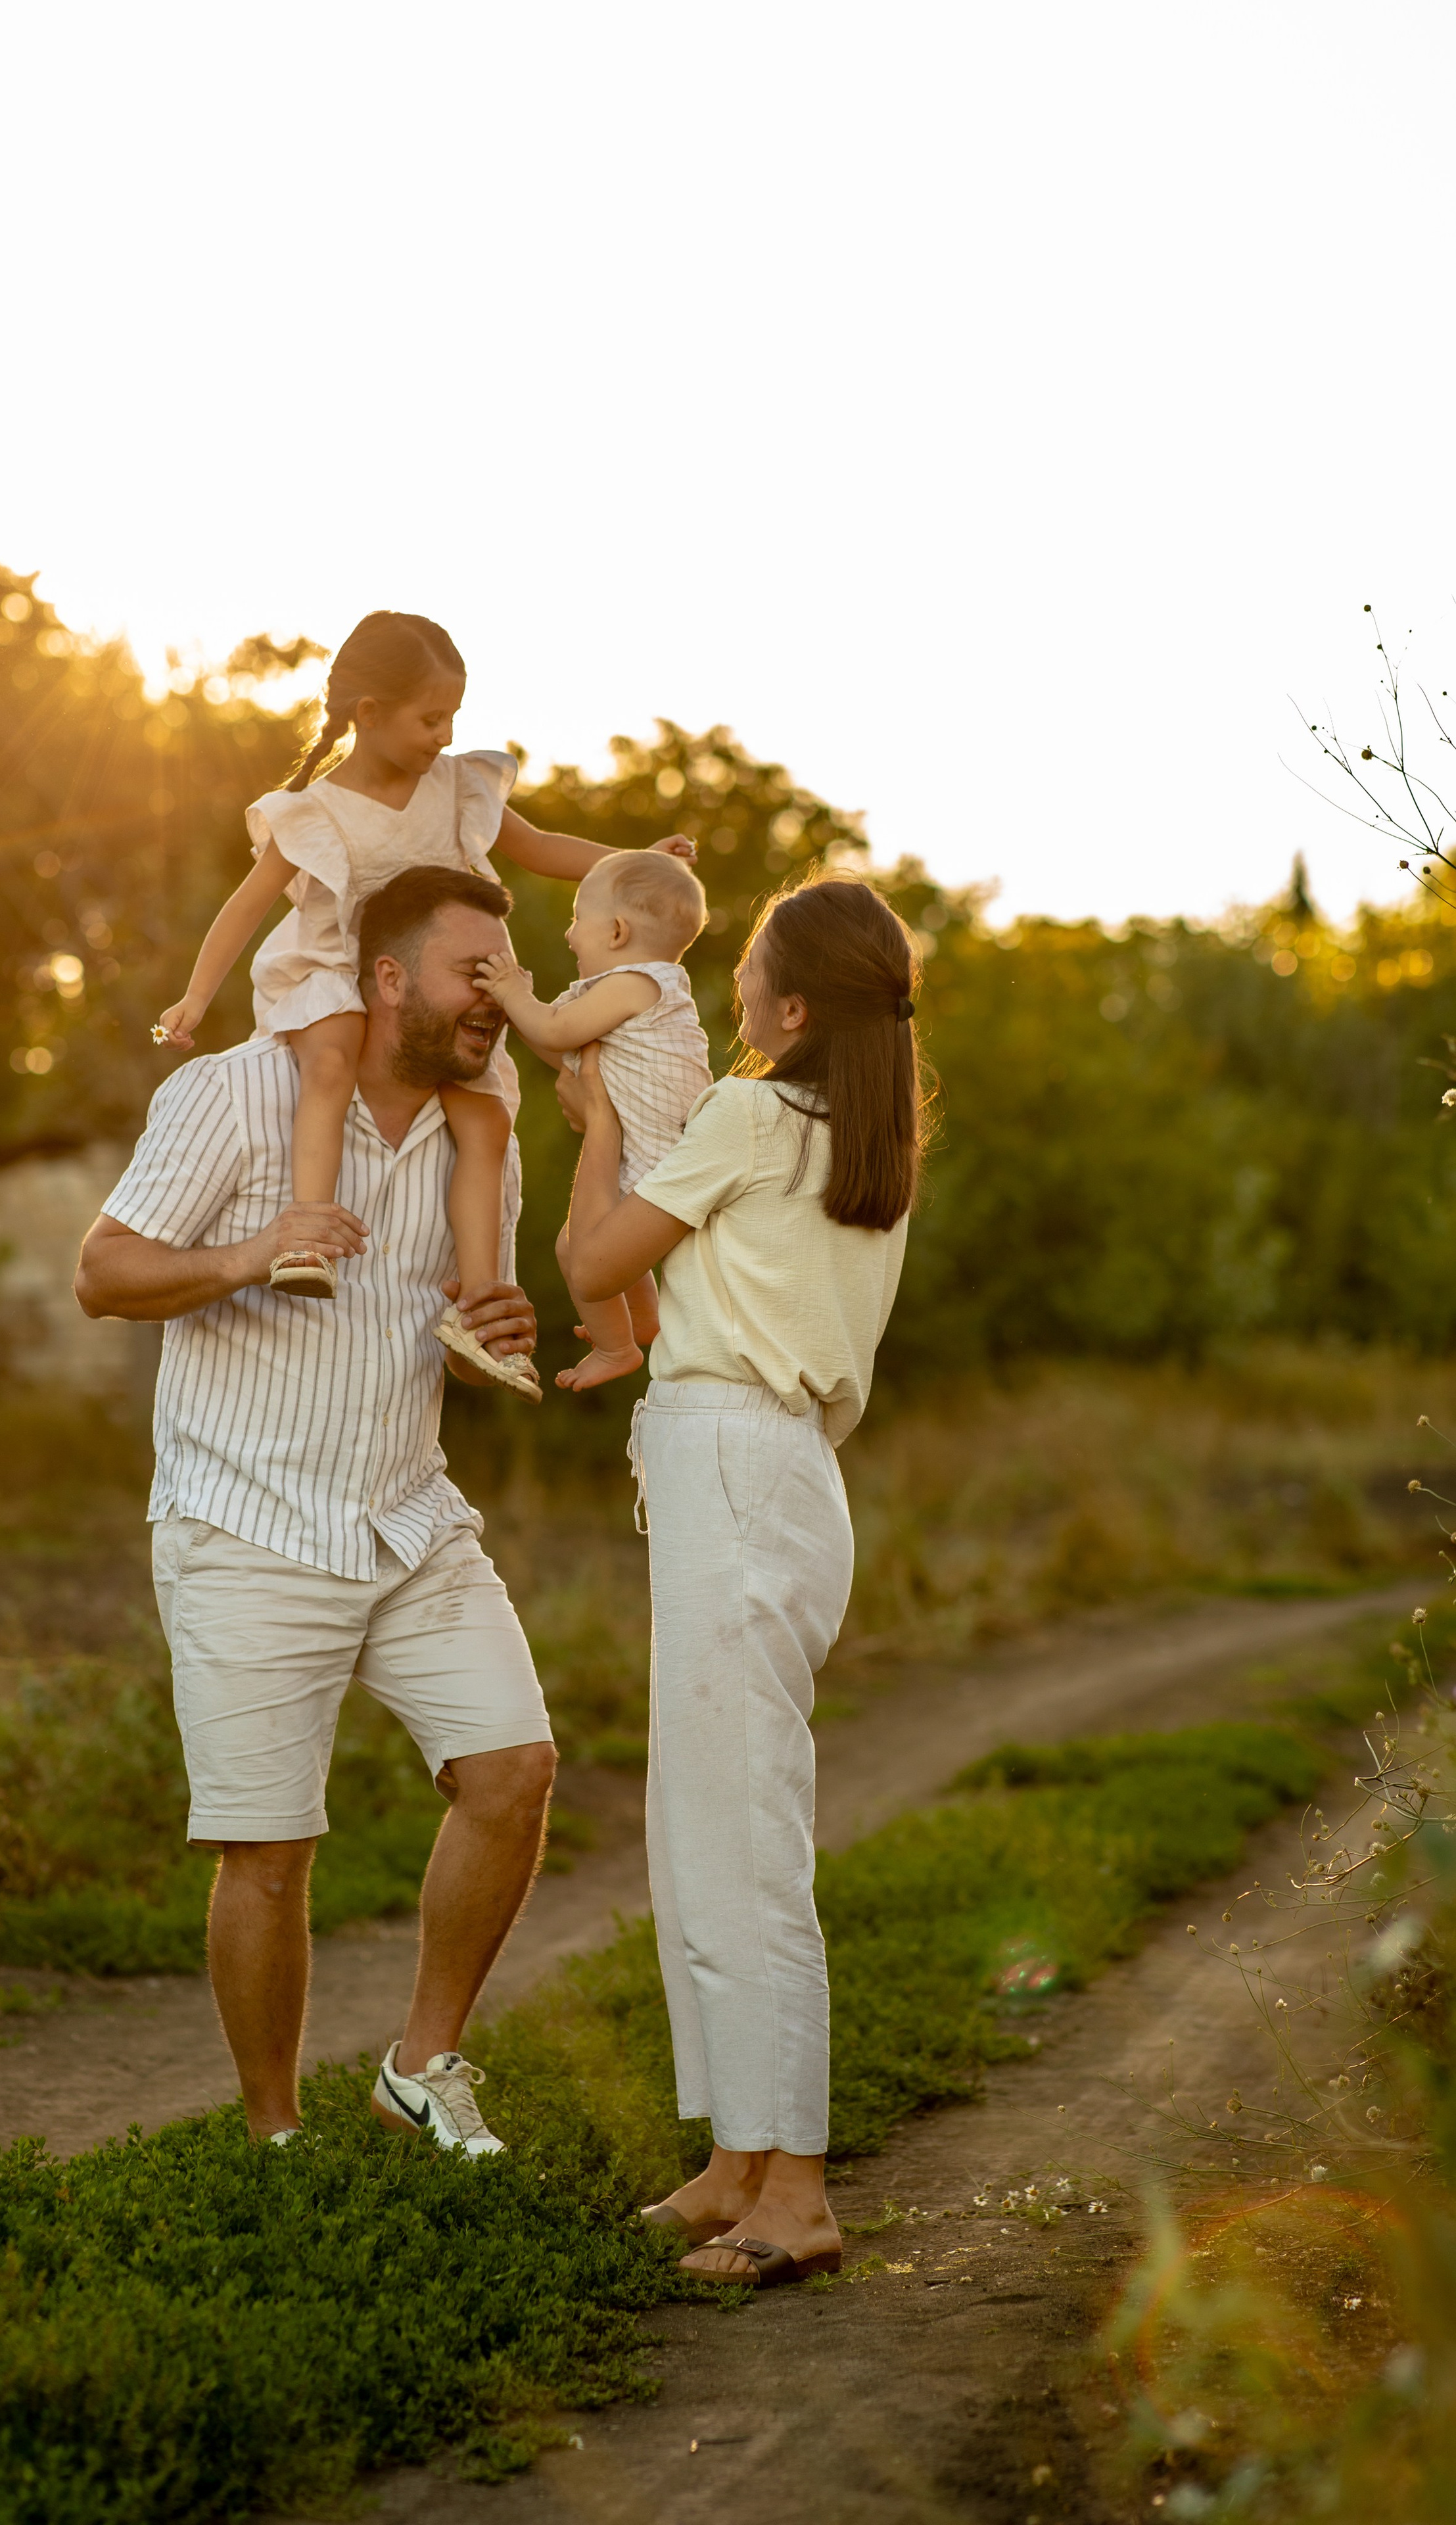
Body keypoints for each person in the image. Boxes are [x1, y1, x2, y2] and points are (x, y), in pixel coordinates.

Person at [76, 865, 561, 2155]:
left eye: (506, 980)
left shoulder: (483, 1121)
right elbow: (103, 1273)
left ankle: (419, 2064)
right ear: (387, 978)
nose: (497, 1001)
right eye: (475, 975)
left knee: (512, 1772)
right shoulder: (236, 1091)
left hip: (408, 1516)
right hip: (244, 1521)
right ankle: (273, 2139)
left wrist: (493, 1320)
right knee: (268, 1853)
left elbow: (458, 1310)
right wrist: (249, 1252)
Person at [559, 876, 928, 2284]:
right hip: (775, 1477)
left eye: (744, 980)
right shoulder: (860, 1147)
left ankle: (797, 2194)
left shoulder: (748, 1115)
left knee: (742, 1833)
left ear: (784, 1009)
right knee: (696, 1818)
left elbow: (590, 1258)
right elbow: (690, 1288)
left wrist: (597, 1130)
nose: (725, 1001)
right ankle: (733, 2159)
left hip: (735, 1466)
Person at [154, 609, 693, 1396]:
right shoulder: (315, 810)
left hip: (448, 984)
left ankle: (478, 1301)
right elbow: (245, 908)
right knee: (332, 1055)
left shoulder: (456, 786)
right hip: (343, 971)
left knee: (485, 1120)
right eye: (429, 717)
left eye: (453, 717)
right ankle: (308, 1231)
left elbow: (541, 849)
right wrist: (195, 997)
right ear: (369, 715)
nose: (444, 734)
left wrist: (640, 861)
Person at [474, 849, 713, 1390]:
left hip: (656, 1153)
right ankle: (646, 1319)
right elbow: (564, 1052)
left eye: (579, 918)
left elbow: (557, 1032)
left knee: (573, 1247)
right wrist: (515, 1009)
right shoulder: (644, 995)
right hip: (662, 1153)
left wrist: (515, 993)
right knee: (603, 1242)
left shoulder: (632, 986)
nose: (569, 934)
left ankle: (617, 1346)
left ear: (618, 931)